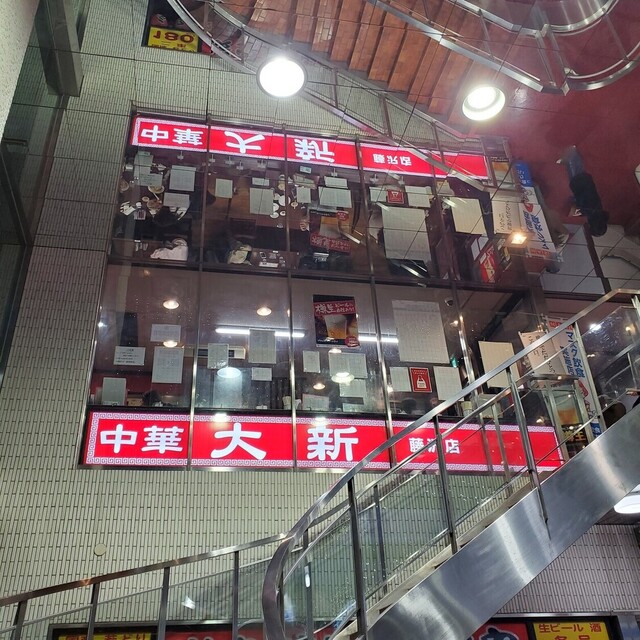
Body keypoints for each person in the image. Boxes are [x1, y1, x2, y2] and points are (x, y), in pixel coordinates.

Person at [558, 146, 609, 237]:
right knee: (575, 170)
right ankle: (572, 152)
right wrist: (576, 207)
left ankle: (569, 158)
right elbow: (580, 202)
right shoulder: (591, 212)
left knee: (578, 170)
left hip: (586, 184)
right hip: (581, 186)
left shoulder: (598, 212)